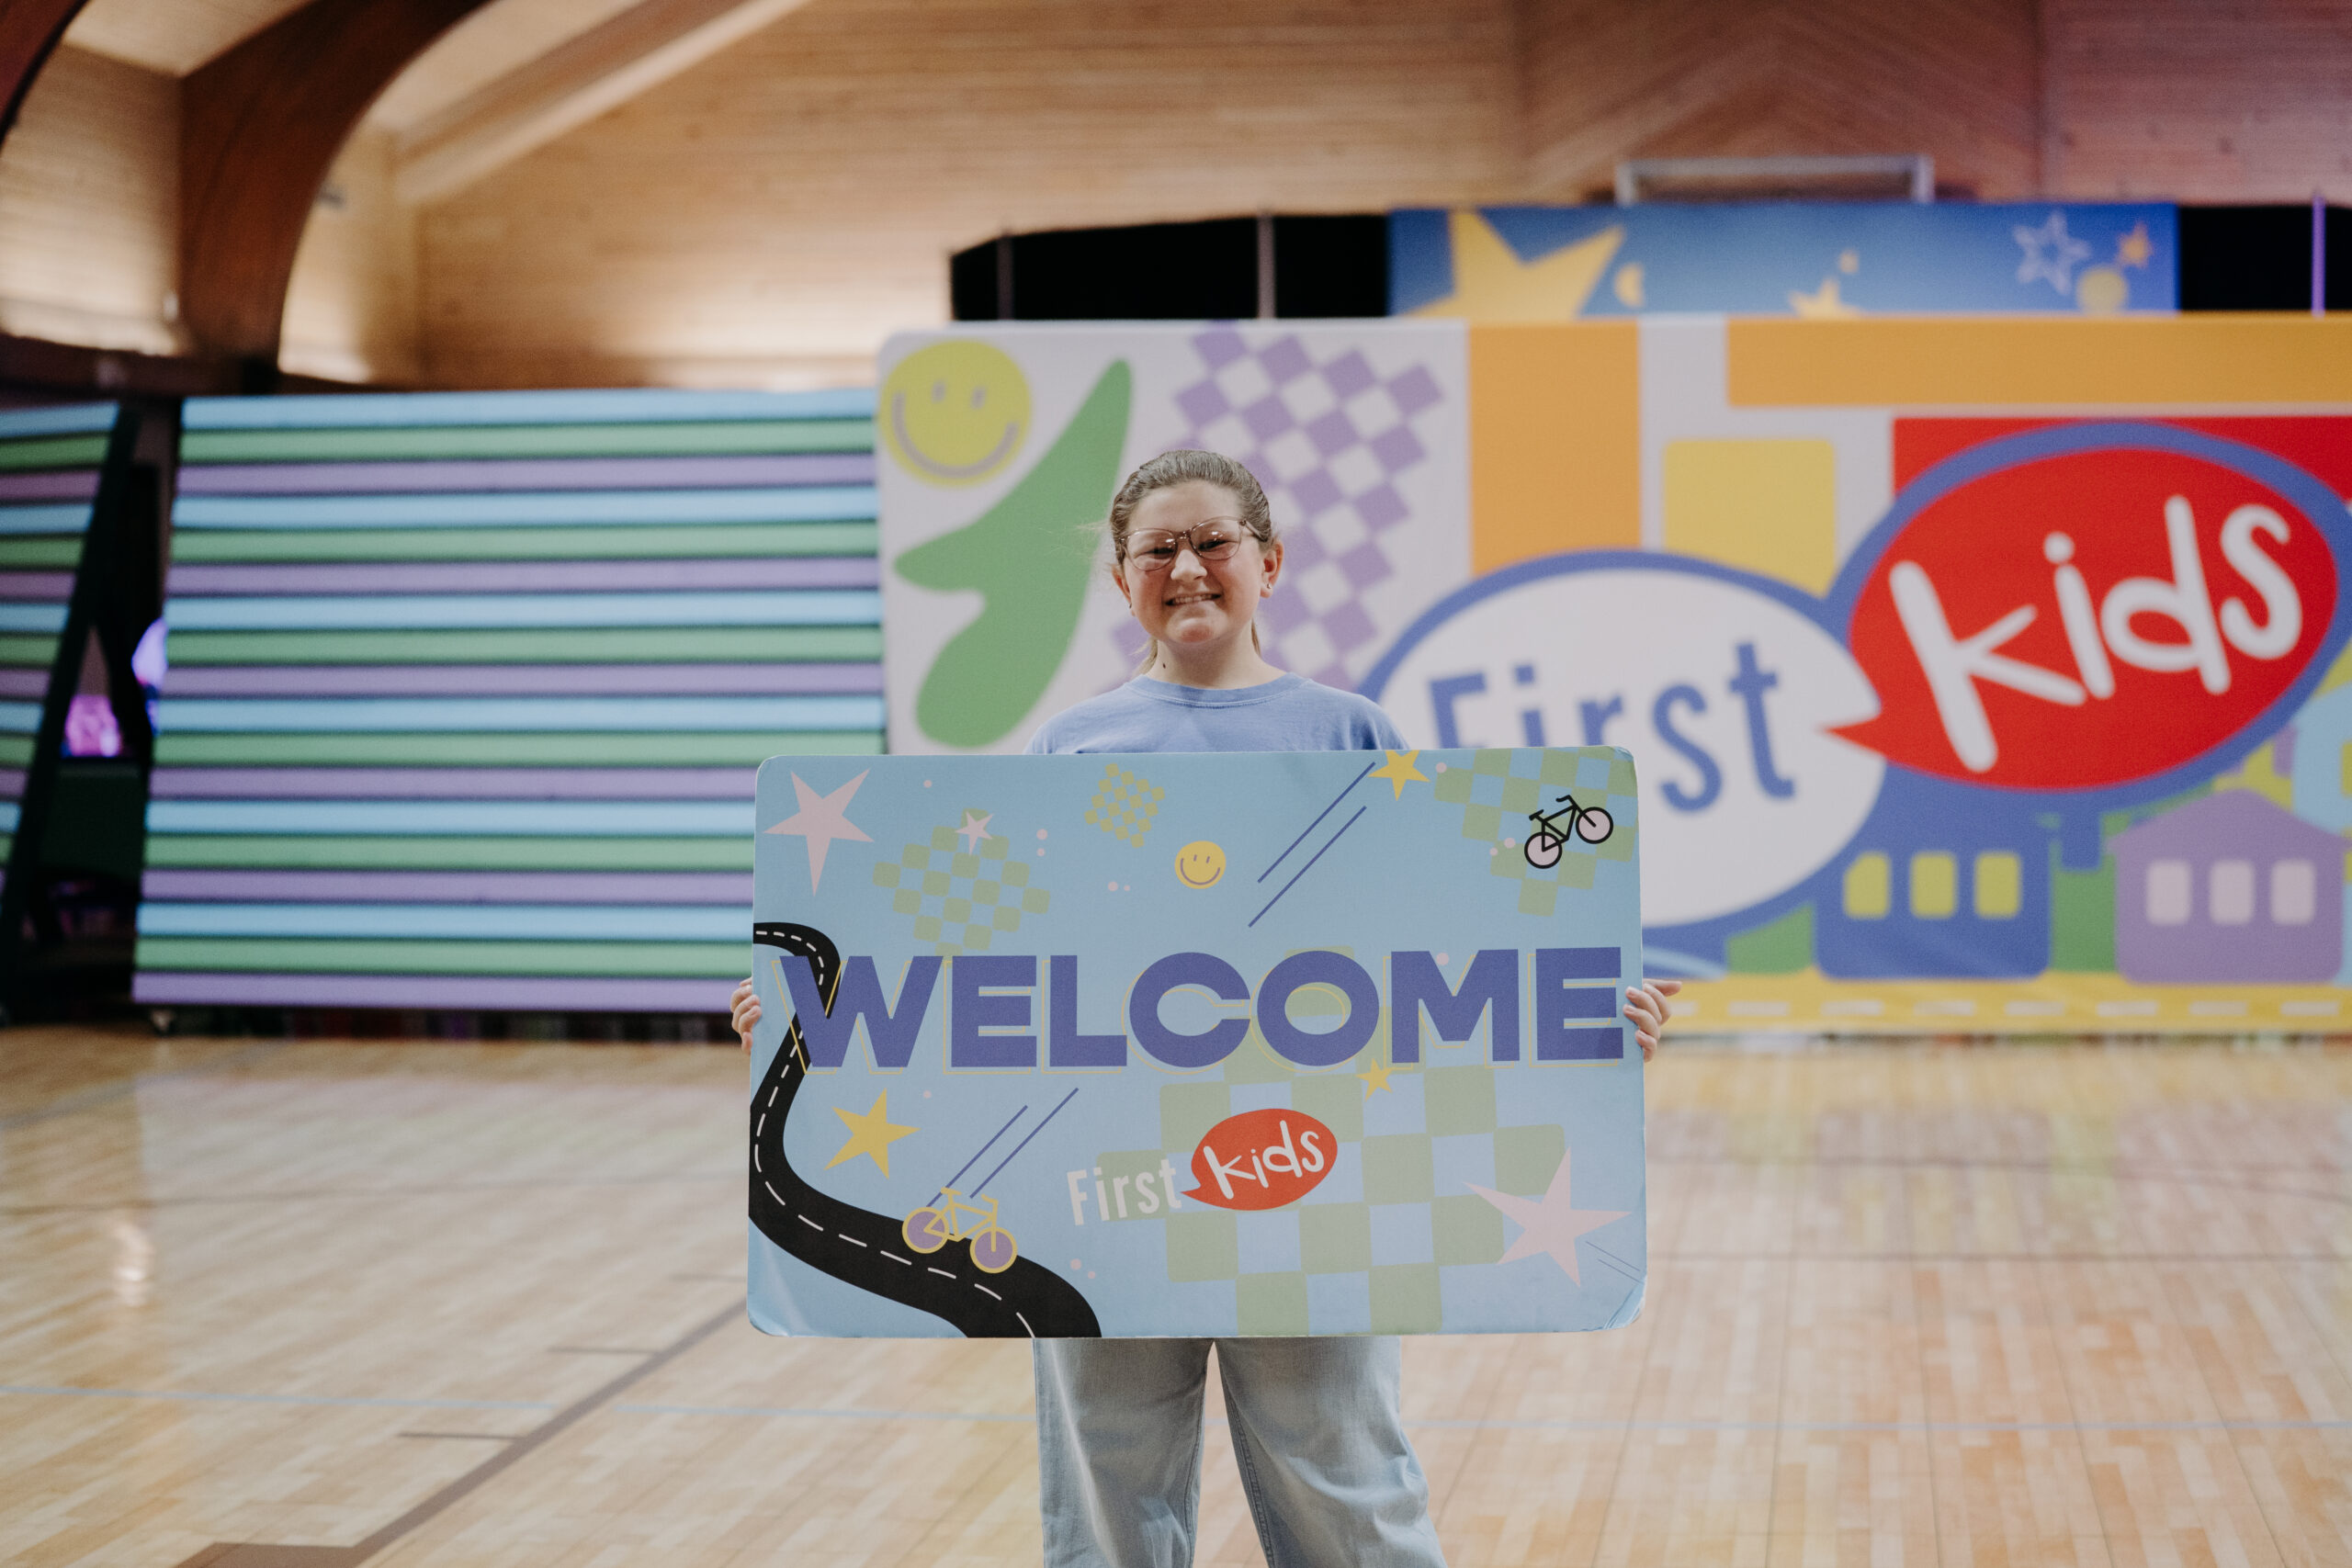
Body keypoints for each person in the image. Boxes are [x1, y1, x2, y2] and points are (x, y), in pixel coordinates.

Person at [731, 448, 1679, 1568]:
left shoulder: (1351, 738)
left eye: (1213, 542)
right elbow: (993, 966)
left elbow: (1440, 941)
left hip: (1319, 1175)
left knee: (1343, 1475)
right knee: (1107, 1478)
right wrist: (814, 1022)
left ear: (1267, 563)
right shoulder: (1072, 750)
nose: (1187, 567)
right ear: (1123, 580)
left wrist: (1586, 1013)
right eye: (1157, 549)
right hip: (1101, 1181)